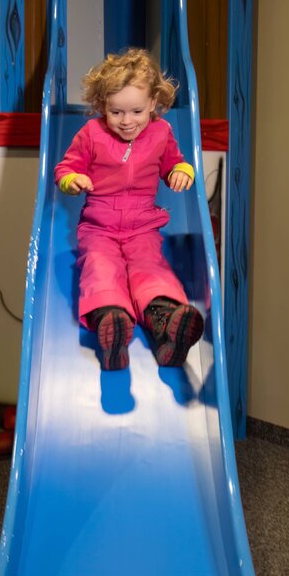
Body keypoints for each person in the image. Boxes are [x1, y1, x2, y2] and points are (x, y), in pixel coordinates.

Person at [54, 47, 205, 370]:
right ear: (102, 106)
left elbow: (174, 163)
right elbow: (65, 168)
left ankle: (167, 324)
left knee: (150, 268)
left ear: (153, 103)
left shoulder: (162, 132)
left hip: (142, 225)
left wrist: (182, 172)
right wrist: (72, 180)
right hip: (99, 226)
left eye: (136, 111)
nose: (126, 121)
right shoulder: (91, 134)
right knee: (100, 266)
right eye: (116, 112)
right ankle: (112, 322)